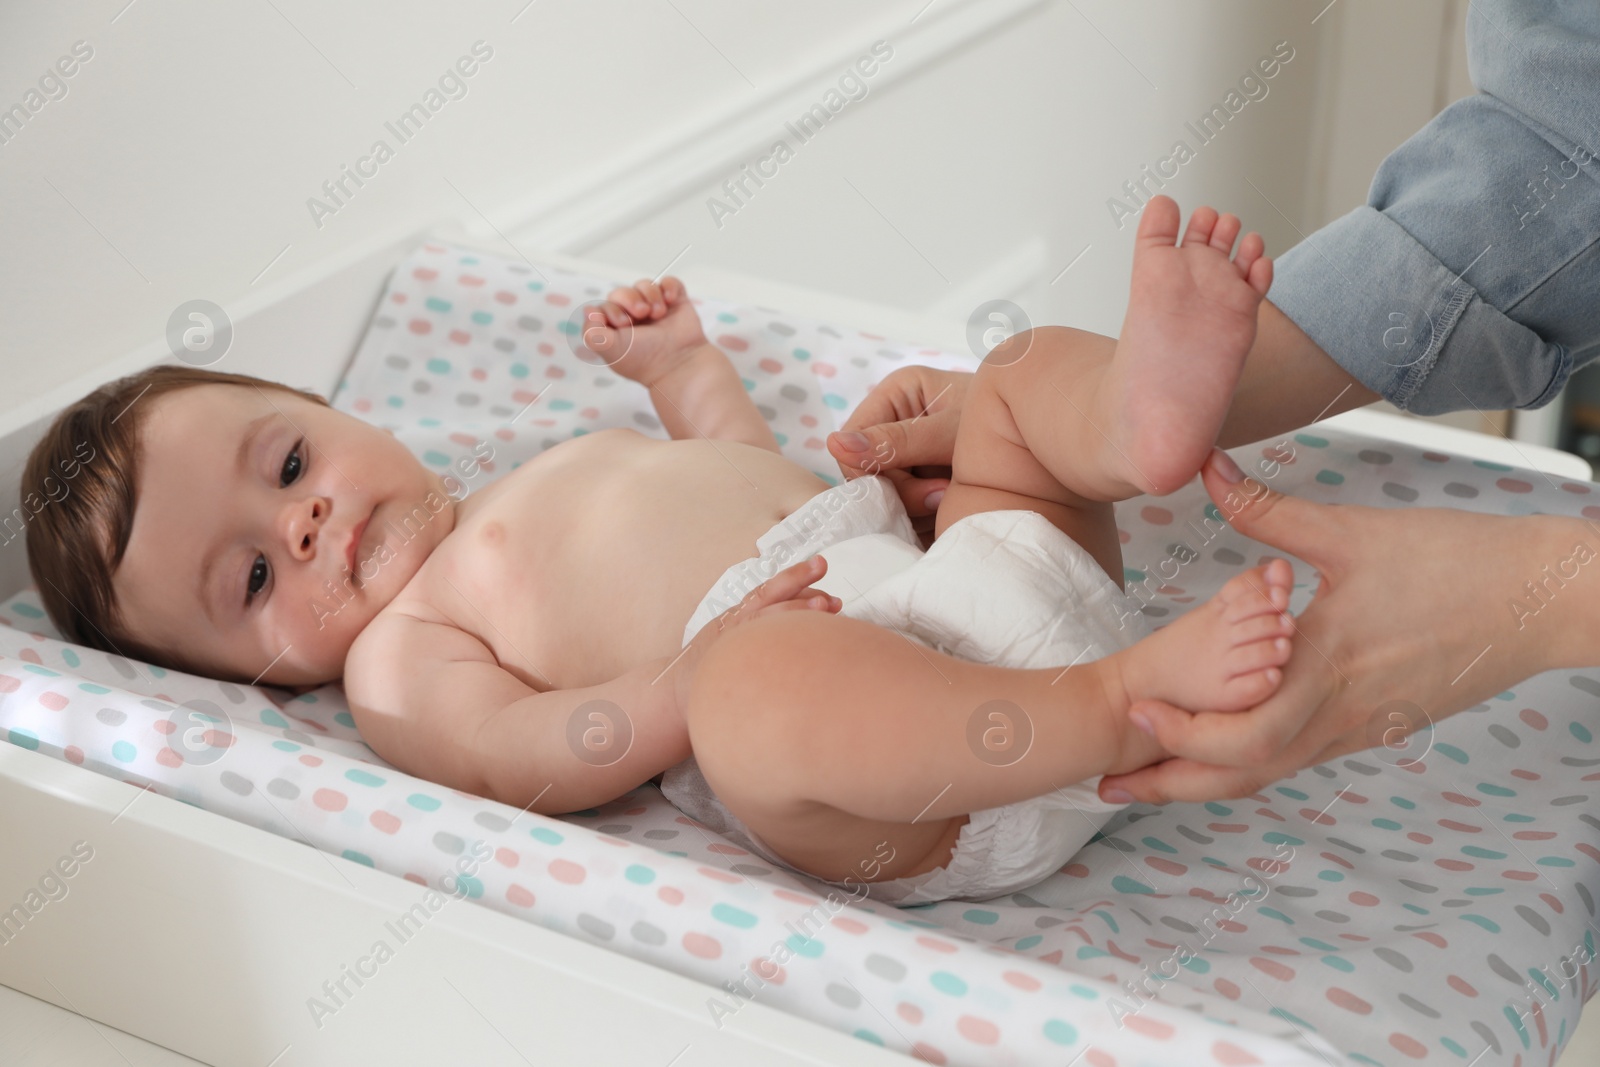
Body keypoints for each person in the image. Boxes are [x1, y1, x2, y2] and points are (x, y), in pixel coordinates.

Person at [23, 210, 1297, 906]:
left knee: (1005, 383)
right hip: (908, 775)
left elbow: (739, 468)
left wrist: (688, 373)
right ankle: (1112, 707)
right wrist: (683, 686)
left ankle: (1138, 428)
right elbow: (525, 756)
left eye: (289, 464)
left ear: (336, 409)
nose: (299, 526)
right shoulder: (401, 660)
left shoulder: (528, 473)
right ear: (246, 675)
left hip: (955, 578)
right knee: (753, 705)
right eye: (251, 580)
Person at [826, 0, 1600, 807]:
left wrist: (1543, 594)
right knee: (1021, 382)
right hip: (1019, 728)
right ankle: (1118, 427)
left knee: (749, 683)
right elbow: (1571, 140)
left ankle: (1121, 436)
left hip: (890, 731)